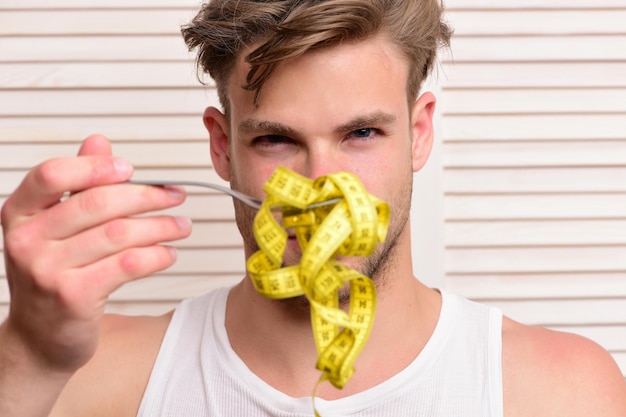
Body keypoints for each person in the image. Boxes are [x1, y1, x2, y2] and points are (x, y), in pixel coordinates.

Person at [1, 0, 625, 416]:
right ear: (223, 148)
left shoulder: (562, 392)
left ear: (420, 132)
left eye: (360, 134)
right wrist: (28, 355)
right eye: (276, 139)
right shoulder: (85, 377)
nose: (323, 185)